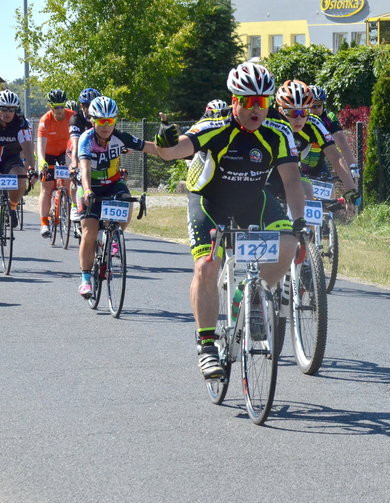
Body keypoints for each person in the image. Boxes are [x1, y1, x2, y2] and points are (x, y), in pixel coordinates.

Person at [154, 63, 307, 380]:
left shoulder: (277, 134)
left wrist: (300, 220)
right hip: (211, 201)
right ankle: (207, 344)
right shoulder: (213, 127)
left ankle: (253, 297)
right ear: (234, 101)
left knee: (289, 244)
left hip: (252, 199)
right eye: (249, 102)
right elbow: (171, 153)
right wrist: (164, 143)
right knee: (208, 266)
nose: (256, 110)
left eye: (262, 103)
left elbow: (292, 181)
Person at [76, 95, 159, 297]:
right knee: (89, 232)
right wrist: (87, 190)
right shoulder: (86, 139)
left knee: (127, 201)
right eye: (101, 121)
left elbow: (149, 147)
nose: (106, 126)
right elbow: (85, 168)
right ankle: (86, 279)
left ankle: (112, 236)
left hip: (113, 183)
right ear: (93, 120)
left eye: (110, 121)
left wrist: (174, 150)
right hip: (91, 186)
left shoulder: (120, 137)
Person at [268, 80, 359, 203]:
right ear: (281, 111)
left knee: (308, 192)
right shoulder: (270, 122)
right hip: (266, 172)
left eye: (304, 112)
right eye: (293, 112)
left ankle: (310, 223)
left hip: (294, 172)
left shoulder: (313, 123)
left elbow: (334, 155)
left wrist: (350, 189)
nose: (299, 118)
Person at [36, 88, 75, 238]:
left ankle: (65, 207)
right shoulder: (45, 121)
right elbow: (40, 145)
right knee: (46, 187)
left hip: (65, 152)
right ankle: (44, 223)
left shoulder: (72, 117)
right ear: (50, 106)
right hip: (49, 153)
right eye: (55, 107)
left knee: (68, 182)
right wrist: (41, 161)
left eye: (61, 106)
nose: (59, 110)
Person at [307, 84, 361, 188]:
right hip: (298, 165)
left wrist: (353, 166)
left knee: (332, 197)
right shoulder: (299, 119)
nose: (317, 109)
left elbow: (342, 143)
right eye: (313, 106)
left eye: (320, 105)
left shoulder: (329, 118)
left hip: (318, 166)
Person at [0, 89, 36, 228]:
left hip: (11, 156)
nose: (7, 113)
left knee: (21, 177)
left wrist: (31, 169)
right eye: (3, 109)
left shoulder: (21, 123)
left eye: (11, 109)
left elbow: (28, 148)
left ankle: (12, 207)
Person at [69, 87, 101, 226]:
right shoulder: (76, 119)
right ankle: (74, 207)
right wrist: (75, 165)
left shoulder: (100, 117)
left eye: (93, 104)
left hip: (95, 153)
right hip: (75, 151)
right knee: (76, 178)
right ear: (82, 106)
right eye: (87, 105)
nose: (89, 108)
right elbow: (75, 144)